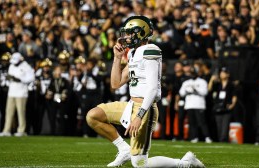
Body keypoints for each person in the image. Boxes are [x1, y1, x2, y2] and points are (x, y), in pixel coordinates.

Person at [86, 16, 204, 168]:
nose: (126, 37)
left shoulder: (150, 50)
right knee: (93, 116)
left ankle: (186, 163)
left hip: (145, 109)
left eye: (129, 33)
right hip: (131, 105)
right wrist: (117, 58)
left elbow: (153, 88)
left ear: (140, 33)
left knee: (140, 164)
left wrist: (139, 116)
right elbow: (116, 83)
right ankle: (124, 149)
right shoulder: (133, 53)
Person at [0, 52, 35, 137]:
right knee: (9, 112)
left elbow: (31, 77)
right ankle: (6, 130)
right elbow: (10, 76)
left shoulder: (26, 66)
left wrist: (20, 79)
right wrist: (10, 78)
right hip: (12, 92)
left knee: (20, 112)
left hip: (21, 93)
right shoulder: (11, 66)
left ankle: (21, 130)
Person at [179, 66, 212, 143]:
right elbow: (181, 93)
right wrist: (187, 91)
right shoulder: (186, 82)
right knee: (192, 122)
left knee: (202, 122)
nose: (193, 75)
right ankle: (194, 137)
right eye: (192, 73)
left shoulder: (202, 82)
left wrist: (195, 89)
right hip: (189, 105)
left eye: (194, 73)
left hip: (199, 104)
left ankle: (207, 137)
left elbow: (205, 92)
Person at [209, 67, 237, 142]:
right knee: (219, 126)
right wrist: (211, 80)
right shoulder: (217, 84)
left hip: (226, 107)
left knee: (225, 126)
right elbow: (209, 89)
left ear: (228, 74)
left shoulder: (231, 84)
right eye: (221, 72)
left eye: (224, 73)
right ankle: (221, 140)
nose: (222, 74)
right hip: (218, 107)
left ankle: (224, 140)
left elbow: (234, 96)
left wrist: (232, 104)